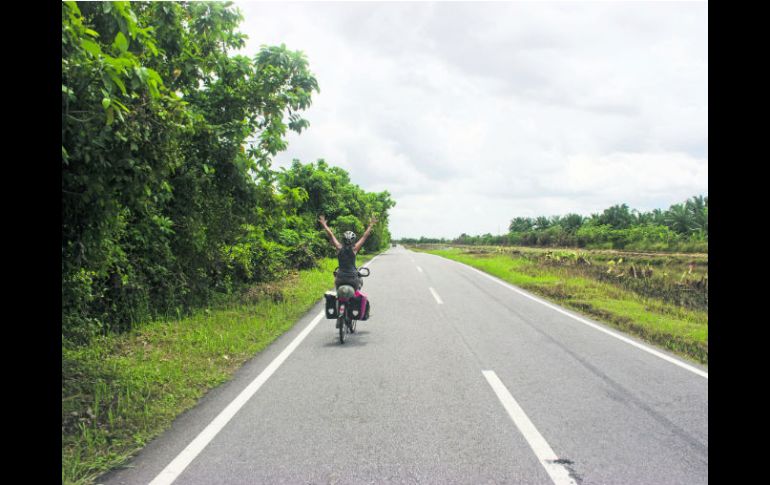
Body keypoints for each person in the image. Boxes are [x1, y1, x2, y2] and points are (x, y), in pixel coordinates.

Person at [319, 214, 377, 290]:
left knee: (337, 294)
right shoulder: (354, 249)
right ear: (353, 240)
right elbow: (364, 236)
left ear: (343, 239)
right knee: (359, 295)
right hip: (352, 278)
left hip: (340, 278)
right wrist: (371, 225)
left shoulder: (339, 247)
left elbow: (331, 235)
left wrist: (324, 224)